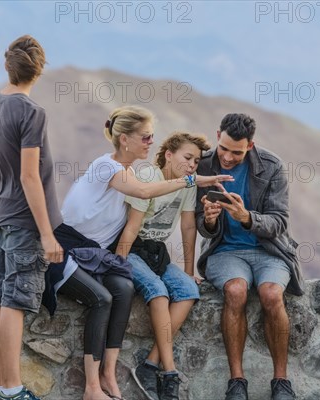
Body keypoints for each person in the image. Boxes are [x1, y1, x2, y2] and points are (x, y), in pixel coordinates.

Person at [42, 106, 232, 400]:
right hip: (67, 251)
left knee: (124, 289)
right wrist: (195, 180)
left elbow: (168, 213)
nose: (150, 143)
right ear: (124, 139)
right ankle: (92, 388)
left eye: (151, 137)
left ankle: (110, 374)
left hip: (96, 255)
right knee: (102, 298)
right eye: (145, 137)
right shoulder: (107, 167)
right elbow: (143, 195)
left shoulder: (133, 172)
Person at [0, 35, 64, 400]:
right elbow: (30, 177)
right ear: (38, 71)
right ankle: (12, 391)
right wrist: (47, 234)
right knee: (14, 303)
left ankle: (1, 385)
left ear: (7, 67)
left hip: (1, 218)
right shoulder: (32, 113)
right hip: (26, 223)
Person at [195, 113, 304, 400]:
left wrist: (247, 218)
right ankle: (237, 381)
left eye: (237, 152)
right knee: (236, 290)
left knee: (270, 294)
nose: (229, 157)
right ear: (217, 134)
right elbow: (202, 228)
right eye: (224, 148)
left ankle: (281, 381)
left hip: (269, 250)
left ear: (251, 145)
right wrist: (208, 219)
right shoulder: (203, 163)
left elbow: (279, 221)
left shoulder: (272, 166)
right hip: (225, 251)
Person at [114, 132, 210, 400]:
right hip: (132, 248)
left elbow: (189, 227)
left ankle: (149, 365)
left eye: (196, 162)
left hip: (157, 254)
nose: (192, 165)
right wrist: (117, 263)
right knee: (157, 289)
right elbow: (132, 226)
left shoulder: (187, 185)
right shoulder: (148, 178)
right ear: (168, 154)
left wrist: (190, 271)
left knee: (188, 291)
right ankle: (170, 373)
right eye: (187, 158)